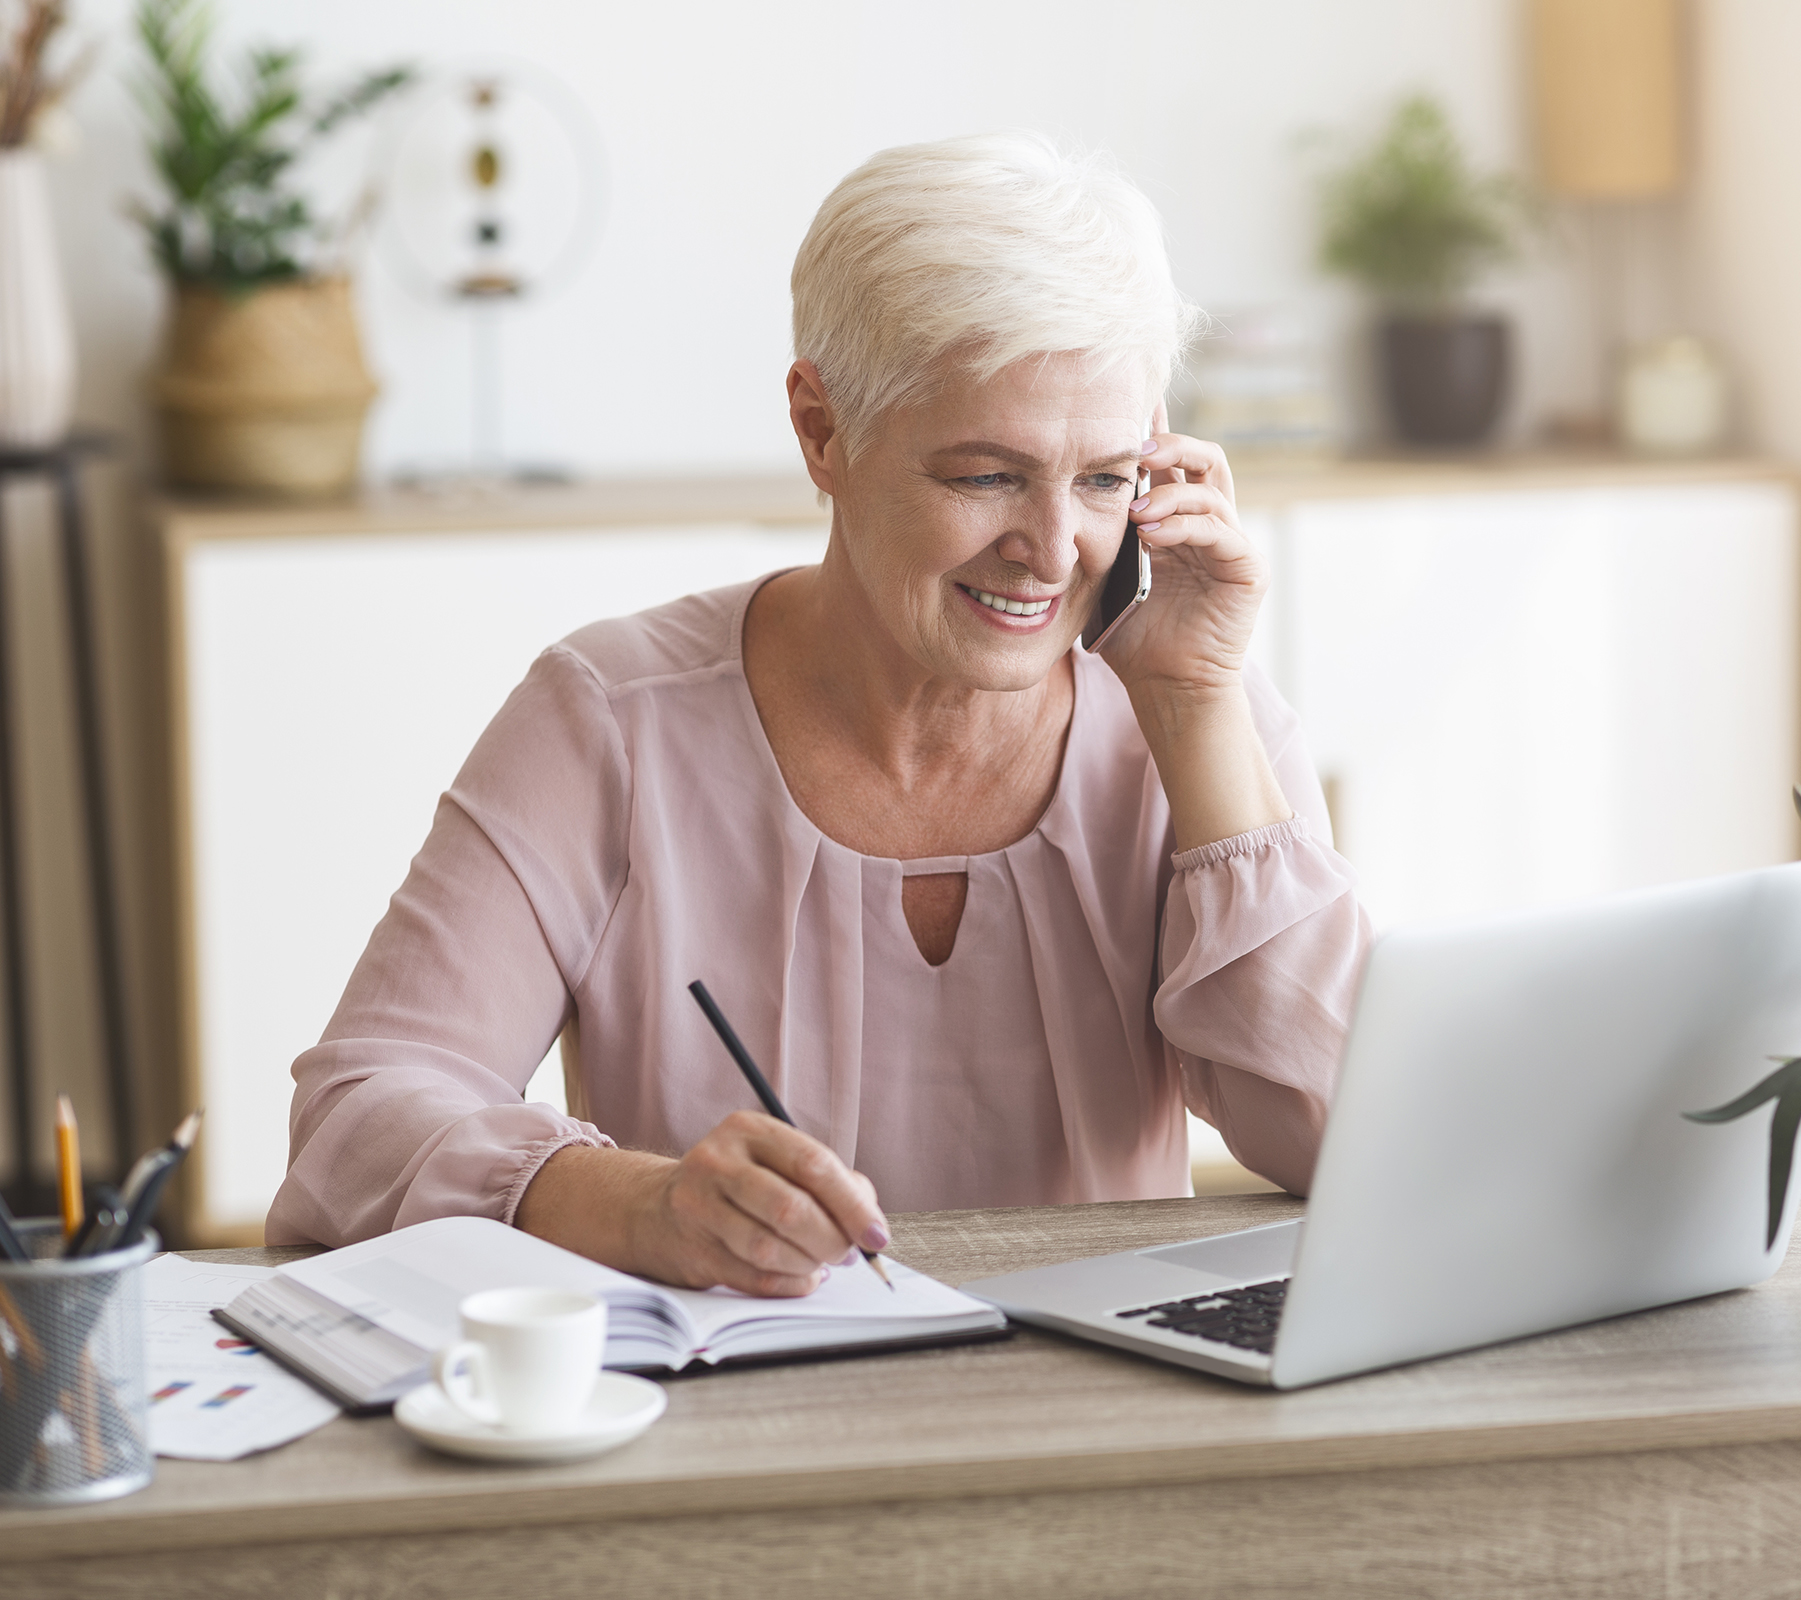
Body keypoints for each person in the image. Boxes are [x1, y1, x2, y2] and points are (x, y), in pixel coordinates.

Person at [265, 132, 1373, 1298]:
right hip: (733, 1425)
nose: (1053, 553)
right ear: (821, 430)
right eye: (984, 475)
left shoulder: (1193, 703)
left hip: (1106, 1416)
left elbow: (1342, 1136)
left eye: (1104, 478)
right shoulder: (610, 721)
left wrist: (1196, 709)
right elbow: (357, 1118)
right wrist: (632, 1202)